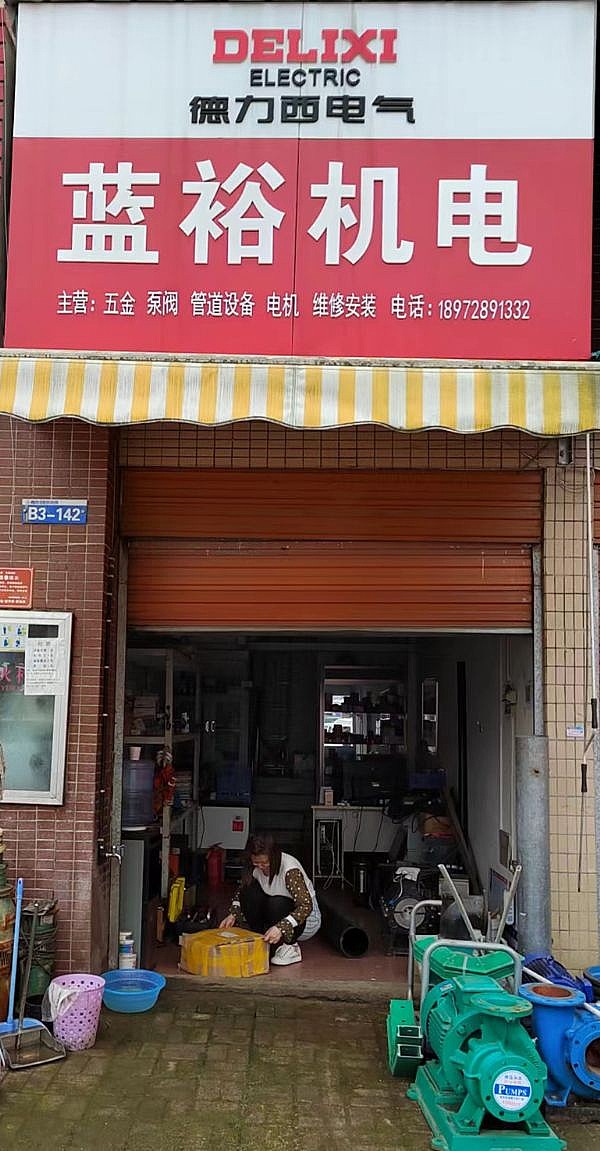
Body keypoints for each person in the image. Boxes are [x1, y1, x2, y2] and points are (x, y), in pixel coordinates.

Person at [219, 832, 321, 967]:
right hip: (276, 914)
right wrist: (233, 914)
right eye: (256, 862)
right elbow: (243, 890)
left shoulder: (290, 870)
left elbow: (306, 906)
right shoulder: (253, 866)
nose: (261, 866)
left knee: (276, 903)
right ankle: (259, 938)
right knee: (249, 892)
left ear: (274, 856)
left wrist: (280, 927)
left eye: (265, 863)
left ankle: (292, 947)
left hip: (306, 920)